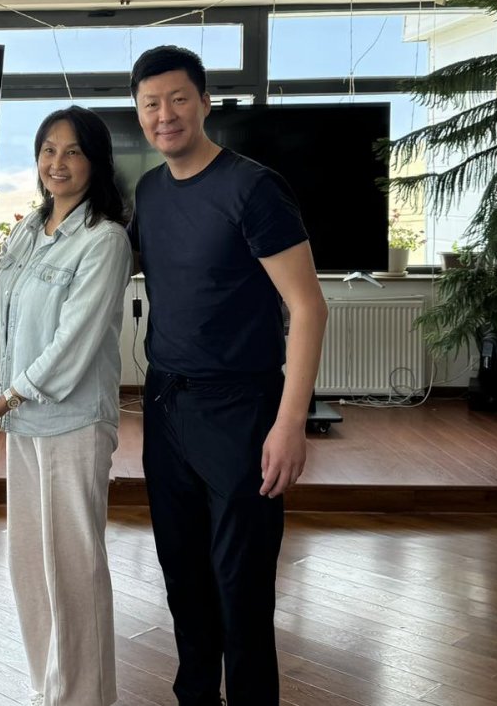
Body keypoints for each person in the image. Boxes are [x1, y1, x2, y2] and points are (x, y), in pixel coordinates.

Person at [128, 45, 328, 705]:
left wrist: (290, 423)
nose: (165, 115)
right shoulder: (149, 191)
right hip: (166, 404)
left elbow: (308, 307)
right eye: (151, 104)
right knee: (182, 577)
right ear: (139, 113)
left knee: (241, 586)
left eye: (178, 99)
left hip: (242, 409)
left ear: (205, 102)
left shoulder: (253, 187)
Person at [0, 106, 132, 706]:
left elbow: (71, 347)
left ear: (95, 162)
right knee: (30, 563)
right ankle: (47, 688)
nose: (58, 162)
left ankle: (83, 697)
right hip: (23, 420)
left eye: (73, 151)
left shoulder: (104, 240)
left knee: (73, 568)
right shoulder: (30, 227)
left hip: (72, 422)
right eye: (49, 149)